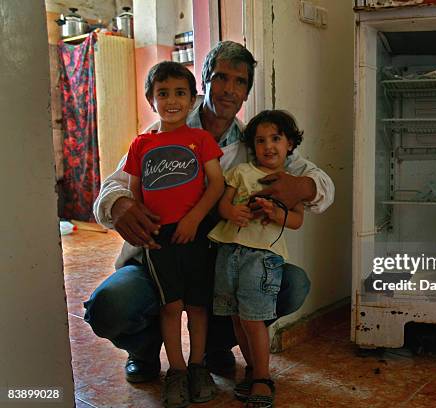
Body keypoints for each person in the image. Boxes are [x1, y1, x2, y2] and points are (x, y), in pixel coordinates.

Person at [84, 41, 335, 384]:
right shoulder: (162, 130)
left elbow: (322, 183)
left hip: (216, 263)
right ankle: (143, 351)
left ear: (247, 92)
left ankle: (217, 345)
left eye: (240, 81)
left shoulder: (253, 145)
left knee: (290, 283)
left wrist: (303, 188)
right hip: (157, 257)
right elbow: (111, 189)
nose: (229, 89)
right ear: (204, 81)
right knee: (109, 306)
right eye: (221, 77)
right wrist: (120, 204)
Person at [123, 61, 224, 406]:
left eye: (180, 93)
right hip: (159, 238)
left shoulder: (201, 139)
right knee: (171, 306)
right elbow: (134, 192)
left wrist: (195, 218)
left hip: (195, 233)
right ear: (151, 100)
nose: (172, 100)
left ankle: (198, 366)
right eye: (162, 93)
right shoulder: (140, 144)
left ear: (193, 99)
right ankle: (176, 371)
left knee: (197, 305)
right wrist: (143, 229)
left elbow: (218, 184)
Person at [209, 110, 304, 407]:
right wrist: (232, 211)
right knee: (238, 318)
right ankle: (251, 370)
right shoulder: (240, 172)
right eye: (260, 140)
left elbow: (298, 220)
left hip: (261, 259)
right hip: (229, 252)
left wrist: (276, 213)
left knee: (254, 321)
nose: (268, 146)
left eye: (276, 138)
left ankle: (263, 376)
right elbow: (223, 204)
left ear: (289, 143)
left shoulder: (290, 181)